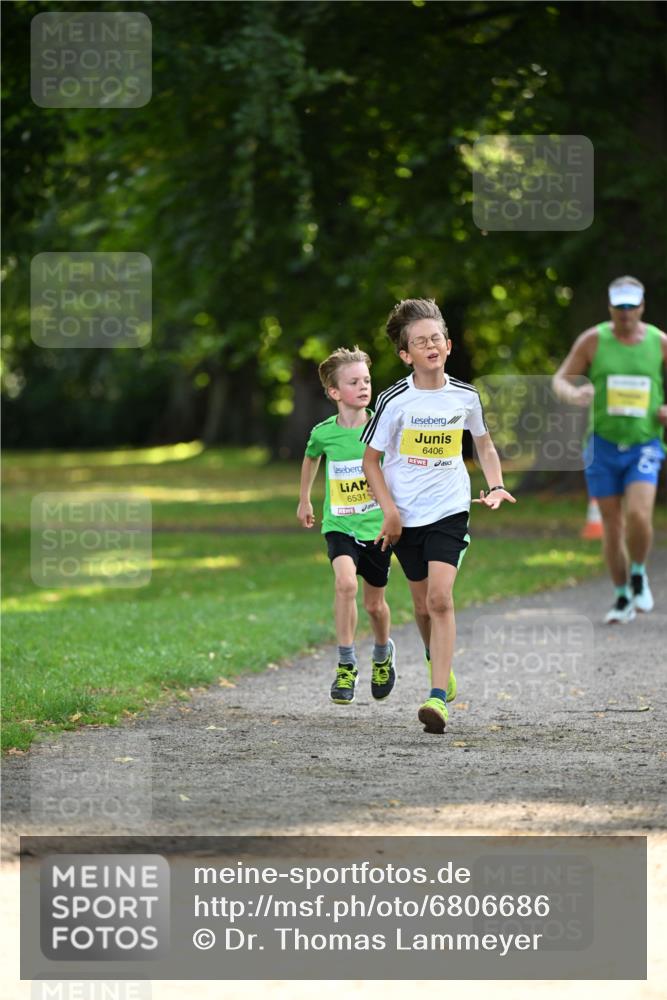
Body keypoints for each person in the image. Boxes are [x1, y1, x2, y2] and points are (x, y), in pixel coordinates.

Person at [361, 299, 515, 735]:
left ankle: (437, 699)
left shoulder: (465, 396)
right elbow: (370, 460)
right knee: (421, 608)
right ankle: (438, 665)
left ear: (447, 345)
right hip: (405, 517)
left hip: (450, 509)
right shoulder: (394, 400)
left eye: (436, 339)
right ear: (406, 354)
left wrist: (497, 483)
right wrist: (389, 512)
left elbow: (482, 444)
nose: (430, 345)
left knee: (440, 600)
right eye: (420, 341)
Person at [552, 276, 667, 624]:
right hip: (602, 445)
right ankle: (621, 596)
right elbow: (561, 380)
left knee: (638, 515)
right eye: (620, 306)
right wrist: (575, 394)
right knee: (612, 524)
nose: (626, 313)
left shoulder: (659, 342)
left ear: (642, 307)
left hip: (644, 443)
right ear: (610, 307)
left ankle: (638, 573)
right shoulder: (593, 340)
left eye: (632, 306)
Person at [297, 346, 396, 705]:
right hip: (339, 524)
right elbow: (310, 458)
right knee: (344, 584)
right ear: (335, 392)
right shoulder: (324, 433)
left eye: (367, 380)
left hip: (377, 527)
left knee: (374, 606)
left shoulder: (381, 427)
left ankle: (383, 653)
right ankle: (346, 663)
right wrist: (305, 498)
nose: (364, 386)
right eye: (354, 382)